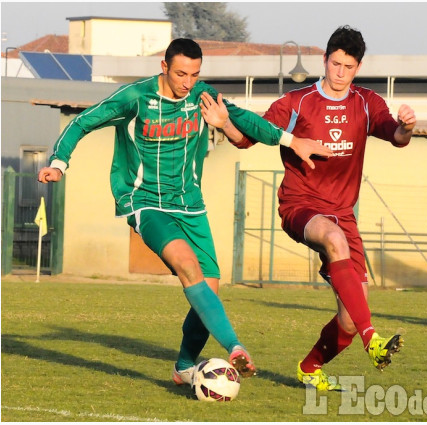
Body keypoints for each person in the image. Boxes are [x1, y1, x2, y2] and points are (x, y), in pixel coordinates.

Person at [37, 38, 332, 386]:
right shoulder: (135, 98)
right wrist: (59, 163)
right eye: (180, 74)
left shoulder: (200, 95)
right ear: (164, 67)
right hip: (144, 200)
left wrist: (291, 141)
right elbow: (83, 121)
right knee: (187, 265)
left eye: (194, 74)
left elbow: (243, 120)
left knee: (209, 288)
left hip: (191, 205)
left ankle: (184, 367)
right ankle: (235, 347)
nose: (187, 82)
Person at [221, 25, 416, 390]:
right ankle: (372, 338)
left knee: (346, 319)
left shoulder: (367, 103)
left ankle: (310, 368)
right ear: (324, 60)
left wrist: (407, 126)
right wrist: (224, 125)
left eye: (348, 66)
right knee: (332, 236)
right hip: (301, 205)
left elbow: (396, 136)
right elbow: (249, 136)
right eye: (335, 63)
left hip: (343, 214)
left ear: (357, 68)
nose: (340, 73)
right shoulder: (297, 103)